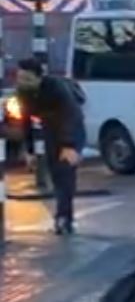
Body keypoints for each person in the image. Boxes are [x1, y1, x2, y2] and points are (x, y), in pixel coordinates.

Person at [15, 58, 85, 235]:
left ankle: (64, 218)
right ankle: (62, 216)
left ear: (40, 77)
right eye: (21, 78)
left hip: (72, 129)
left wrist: (69, 145)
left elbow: (71, 114)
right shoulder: (23, 92)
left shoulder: (56, 87)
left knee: (65, 172)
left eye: (28, 79)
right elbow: (25, 121)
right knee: (56, 172)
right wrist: (29, 150)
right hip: (51, 130)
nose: (23, 83)